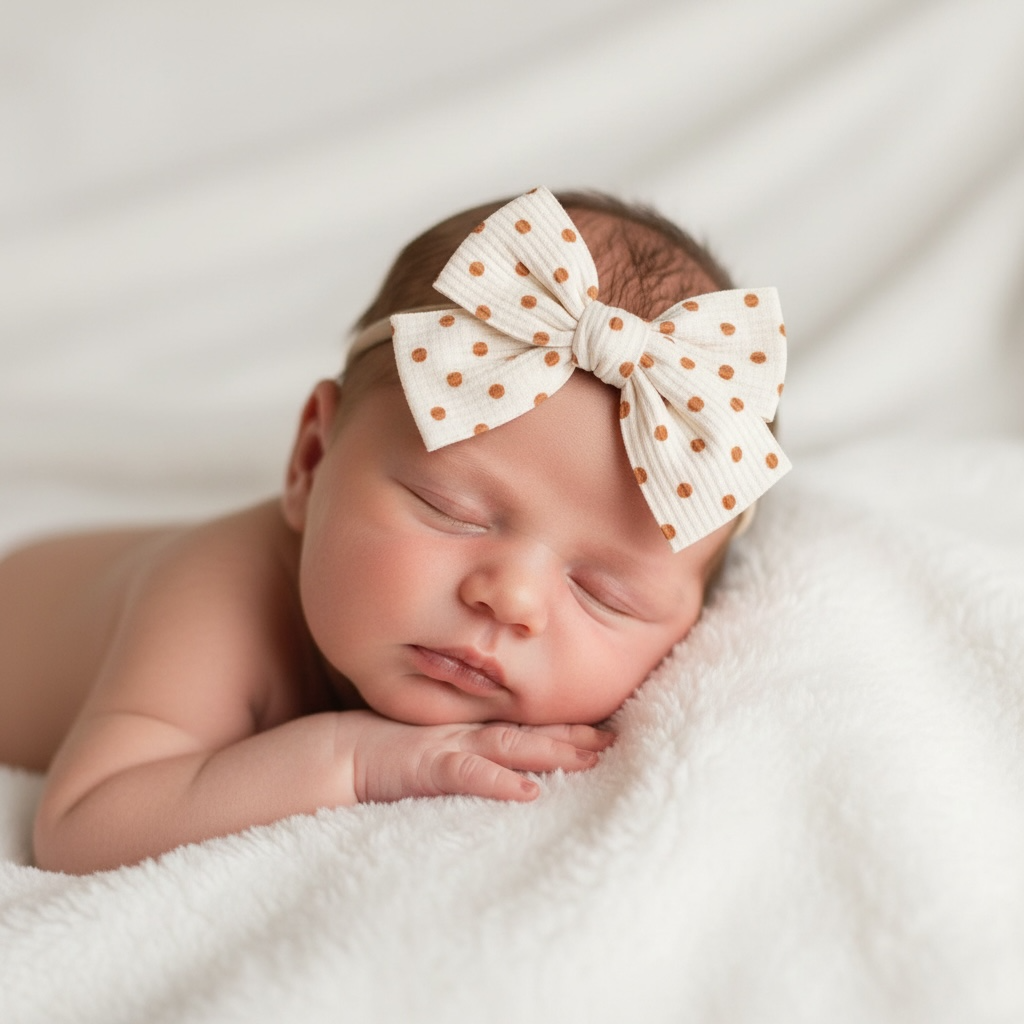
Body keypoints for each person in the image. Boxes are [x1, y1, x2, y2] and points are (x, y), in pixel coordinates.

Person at [0, 187, 789, 874]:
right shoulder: (214, 595)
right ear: (312, 461)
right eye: (451, 510)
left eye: (605, 593)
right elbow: (85, 826)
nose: (512, 599)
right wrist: (357, 759)